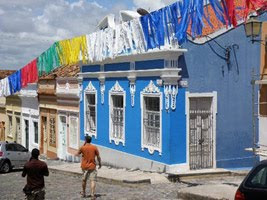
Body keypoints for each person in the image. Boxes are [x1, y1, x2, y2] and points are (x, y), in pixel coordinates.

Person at [76, 135, 101, 199]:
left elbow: (76, 154)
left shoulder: (82, 147)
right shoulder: (94, 147)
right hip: (92, 166)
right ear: (90, 140)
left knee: (84, 180)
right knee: (92, 180)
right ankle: (92, 194)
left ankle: (84, 193)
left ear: (85, 140)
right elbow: (98, 157)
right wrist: (100, 164)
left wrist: (83, 146)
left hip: (84, 166)